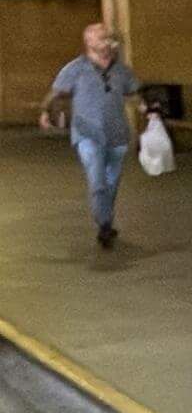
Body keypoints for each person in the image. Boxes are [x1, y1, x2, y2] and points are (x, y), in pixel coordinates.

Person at [41, 22, 141, 249]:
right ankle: (104, 226)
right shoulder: (75, 69)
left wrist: (147, 110)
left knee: (111, 183)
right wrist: (45, 111)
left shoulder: (122, 70)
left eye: (109, 38)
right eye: (102, 38)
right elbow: (56, 93)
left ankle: (106, 218)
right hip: (87, 134)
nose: (108, 42)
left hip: (117, 135)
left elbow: (133, 95)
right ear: (89, 43)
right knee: (98, 181)